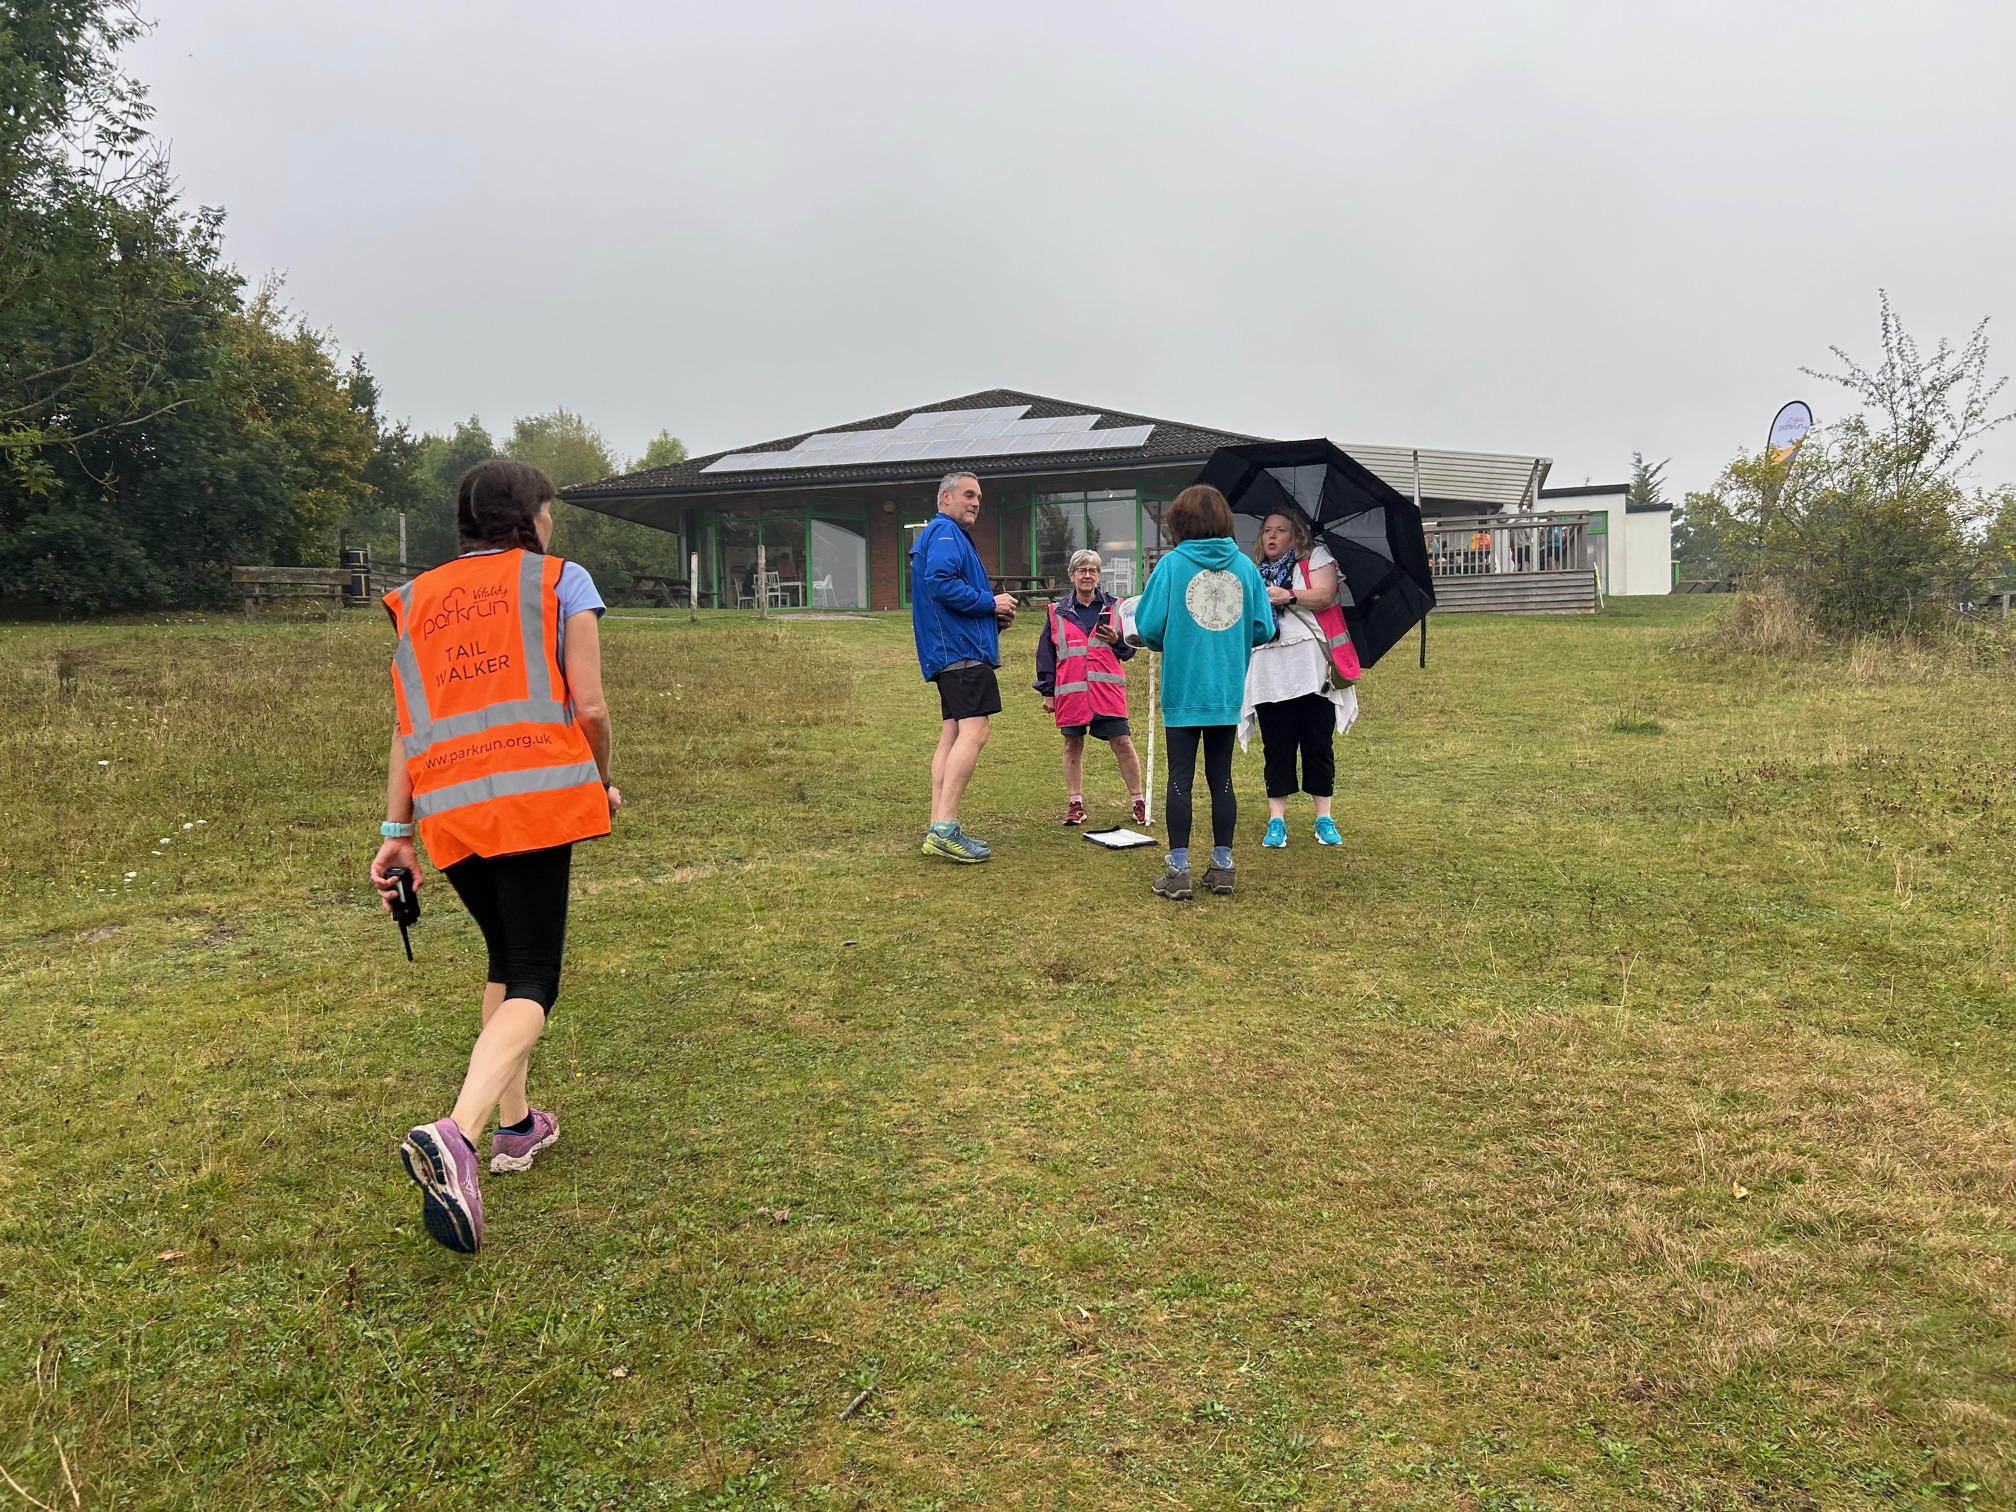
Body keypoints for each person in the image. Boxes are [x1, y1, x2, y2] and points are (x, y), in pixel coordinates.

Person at [369, 459, 621, 1255]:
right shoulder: (559, 581)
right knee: (537, 977)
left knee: (504, 959)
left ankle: (517, 1127)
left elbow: (410, 726)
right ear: (533, 514)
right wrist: (600, 782)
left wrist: (395, 830)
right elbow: (590, 706)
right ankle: (460, 1134)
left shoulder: (415, 600)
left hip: (446, 807)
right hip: (537, 798)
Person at [1133, 485, 1273, 899]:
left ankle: (1178, 869)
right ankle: (1223, 864)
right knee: (1221, 777)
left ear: (1179, 523)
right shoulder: (1246, 569)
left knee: (1180, 777)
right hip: (1226, 687)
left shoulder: (1172, 565)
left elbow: (1149, 626)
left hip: (1184, 687)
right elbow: (1264, 627)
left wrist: (1171, 639)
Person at [910, 471, 1019, 862]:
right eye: (968, 495)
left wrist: (992, 618)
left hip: (950, 650)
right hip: (961, 653)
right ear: (946, 498)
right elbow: (940, 582)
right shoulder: (944, 534)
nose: (975, 503)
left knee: (952, 733)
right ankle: (945, 828)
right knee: (976, 730)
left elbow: (946, 594)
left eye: (979, 497)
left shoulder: (943, 535)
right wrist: (991, 602)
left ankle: (936, 823)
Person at [1241, 508, 1361, 848]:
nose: (1272, 536)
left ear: (1297, 536)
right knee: (1276, 745)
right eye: (1267, 531)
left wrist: (1288, 595)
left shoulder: (1316, 558)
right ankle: (1276, 821)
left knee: (1317, 743)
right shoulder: (1252, 572)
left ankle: (1324, 818)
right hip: (1267, 668)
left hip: (1310, 669)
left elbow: (1324, 596)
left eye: (1281, 530)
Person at [1034, 549, 1146, 826]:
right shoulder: (1056, 611)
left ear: (1098, 576)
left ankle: (1139, 802)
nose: (1087, 575)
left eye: (1093, 570)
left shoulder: (1116, 607)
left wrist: (1117, 640)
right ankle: (1075, 804)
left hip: (1107, 692)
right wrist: (1048, 691)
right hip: (1071, 694)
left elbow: (1130, 650)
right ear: (1072, 575)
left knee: (1122, 743)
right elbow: (1046, 654)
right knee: (1072, 746)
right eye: (1082, 570)